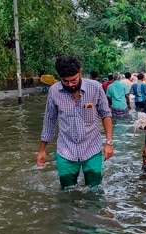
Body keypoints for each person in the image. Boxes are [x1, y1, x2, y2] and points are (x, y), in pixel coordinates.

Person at [36, 55, 113, 189]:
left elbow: (106, 115)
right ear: (59, 77)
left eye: (73, 80)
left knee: (95, 189)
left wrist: (109, 143)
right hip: (66, 150)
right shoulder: (54, 91)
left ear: (80, 72)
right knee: (67, 190)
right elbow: (49, 121)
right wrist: (42, 150)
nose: (70, 84)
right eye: (65, 81)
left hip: (92, 148)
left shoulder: (95, 88)